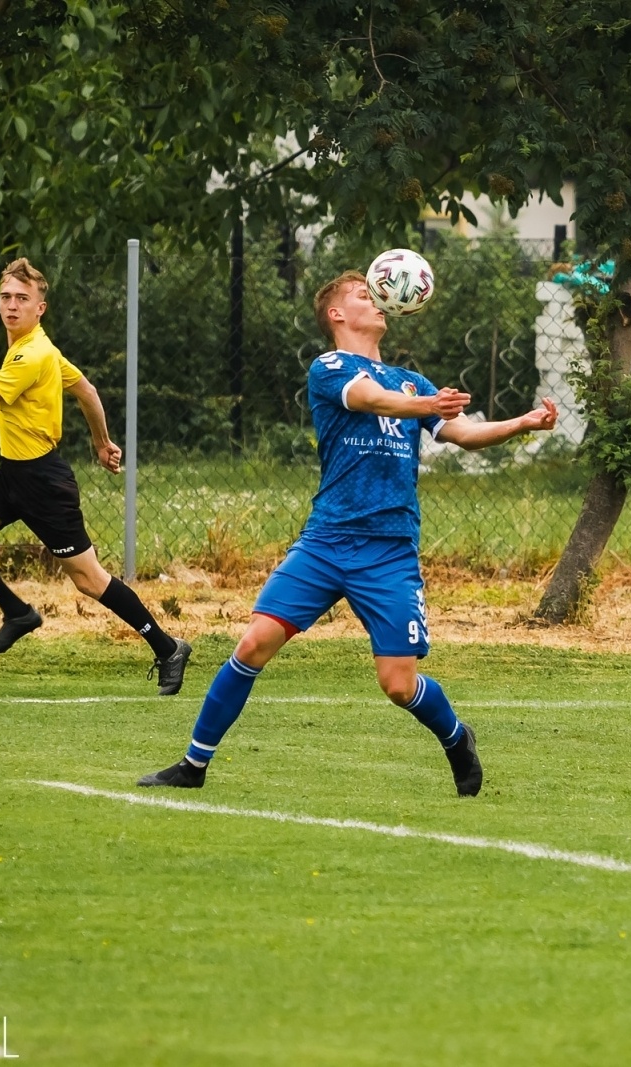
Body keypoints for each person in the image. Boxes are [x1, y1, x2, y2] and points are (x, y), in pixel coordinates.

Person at [137, 268, 558, 795]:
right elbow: (367, 399)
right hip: (326, 540)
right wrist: (427, 405)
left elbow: (462, 432)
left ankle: (456, 738)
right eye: (364, 294)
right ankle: (193, 767)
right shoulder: (330, 367)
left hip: (388, 551)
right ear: (336, 314)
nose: (378, 299)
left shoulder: (412, 381)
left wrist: (521, 423)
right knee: (252, 644)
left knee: (398, 685)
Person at [0, 258, 191, 694]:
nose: (11, 306)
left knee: (88, 580)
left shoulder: (33, 354)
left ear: (39, 308)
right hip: (11, 475)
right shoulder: (40, 348)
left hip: (44, 484)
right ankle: (17, 612)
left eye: (22, 299)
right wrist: (101, 442)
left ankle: (167, 647)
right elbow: (87, 391)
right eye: (6, 297)